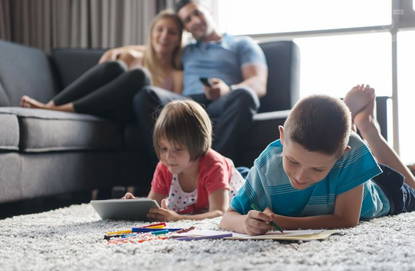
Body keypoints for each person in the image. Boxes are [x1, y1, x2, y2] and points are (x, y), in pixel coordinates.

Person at [220, 84, 415, 235]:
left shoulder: (351, 156)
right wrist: (245, 223)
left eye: (317, 169)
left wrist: (282, 221)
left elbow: (346, 220)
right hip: (342, 164)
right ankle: (347, 127)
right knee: (348, 144)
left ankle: (368, 127)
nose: (301, 176)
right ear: (282, 137)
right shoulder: (267, 163)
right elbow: (228, 217)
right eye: (293, 161)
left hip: (384, 191)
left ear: (341, 156)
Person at [133, 0, 268, 170]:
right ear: (186, 29)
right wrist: (118, 51)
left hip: (224, 102)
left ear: (209, 12)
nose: (195, 21)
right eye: (188, 20)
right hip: (187, 103)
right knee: (146, 95)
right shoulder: (186, 50)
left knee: (246, 95)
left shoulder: (242, 44)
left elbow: (258, 83)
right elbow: (156, 47)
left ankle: (214, 171)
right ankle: (166, 173)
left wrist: (228, 89)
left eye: (197, 13)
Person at [19, 10, 183, 123]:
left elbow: (172, 113)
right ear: (151, 33)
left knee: (140, 76)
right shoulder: (132, 57)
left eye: (172, 32)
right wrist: (121, 50)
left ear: (178, 39)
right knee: (115, 67)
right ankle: (51, 105)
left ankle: (61, 110)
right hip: (105, 105)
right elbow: (103, 73)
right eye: (159, 30)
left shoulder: (176, 74)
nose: (164, 36)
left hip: (134, 115)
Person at [123, 100, 245, 221]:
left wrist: (179, 218)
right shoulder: (165, 166)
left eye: (177, 149)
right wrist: (136, 205)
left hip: (236, 182)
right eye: (164, 148)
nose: (168, 156)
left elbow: (219, 213)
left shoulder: (214, 166)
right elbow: (154, 205)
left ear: (197, 144)